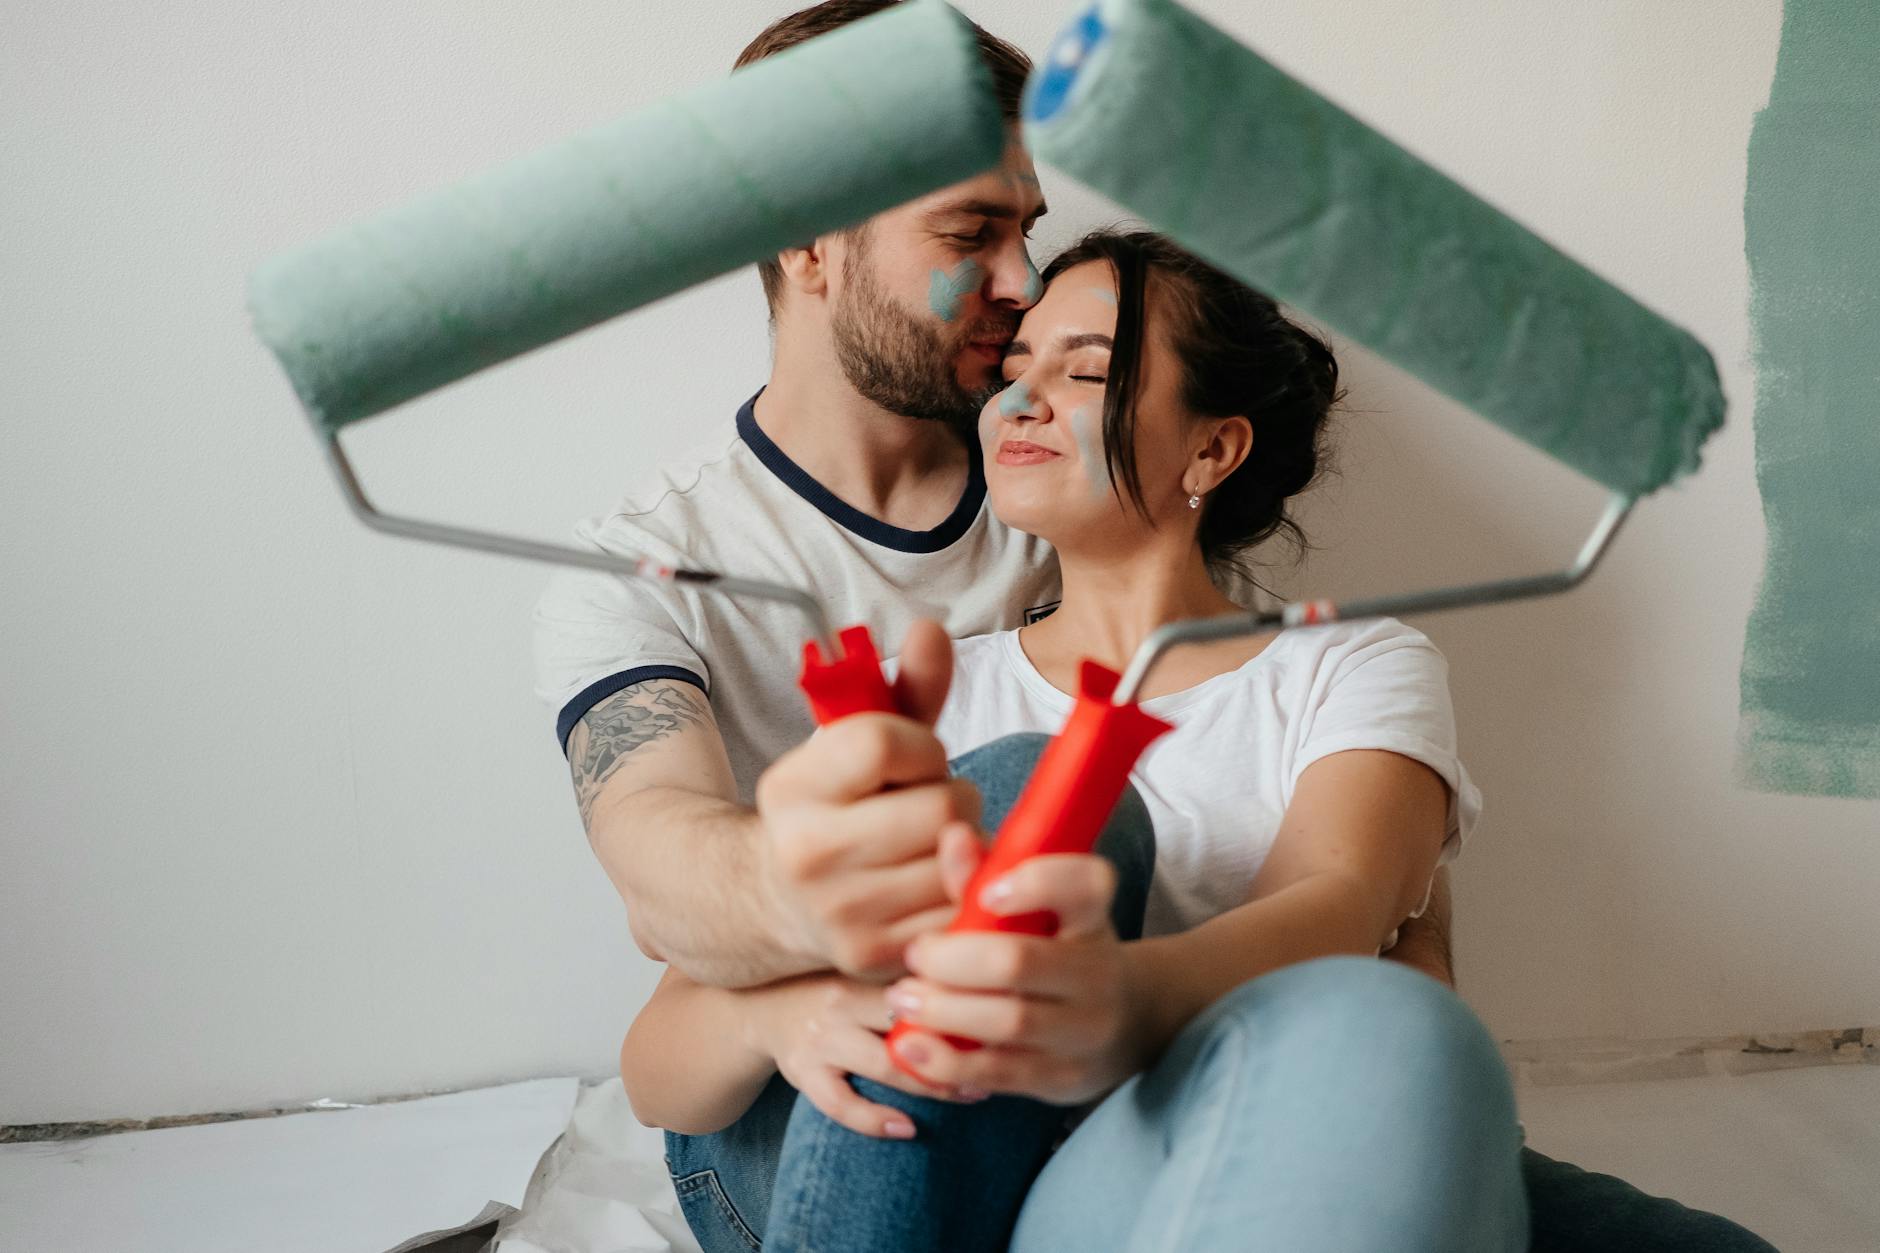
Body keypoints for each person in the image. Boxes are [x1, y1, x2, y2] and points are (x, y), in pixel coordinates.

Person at [536, 4, 1777, 1250]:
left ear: (1210, 451)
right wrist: (796, 934)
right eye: (970, 233)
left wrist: (1379, 978)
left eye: (1029, 243)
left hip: (1172, 1099)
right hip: (822, 1099)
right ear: (804, 237)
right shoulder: (654, 567)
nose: (1016, 292)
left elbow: (1361, 886)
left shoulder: (1092, 512)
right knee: (1031, 787)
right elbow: (664, 874)